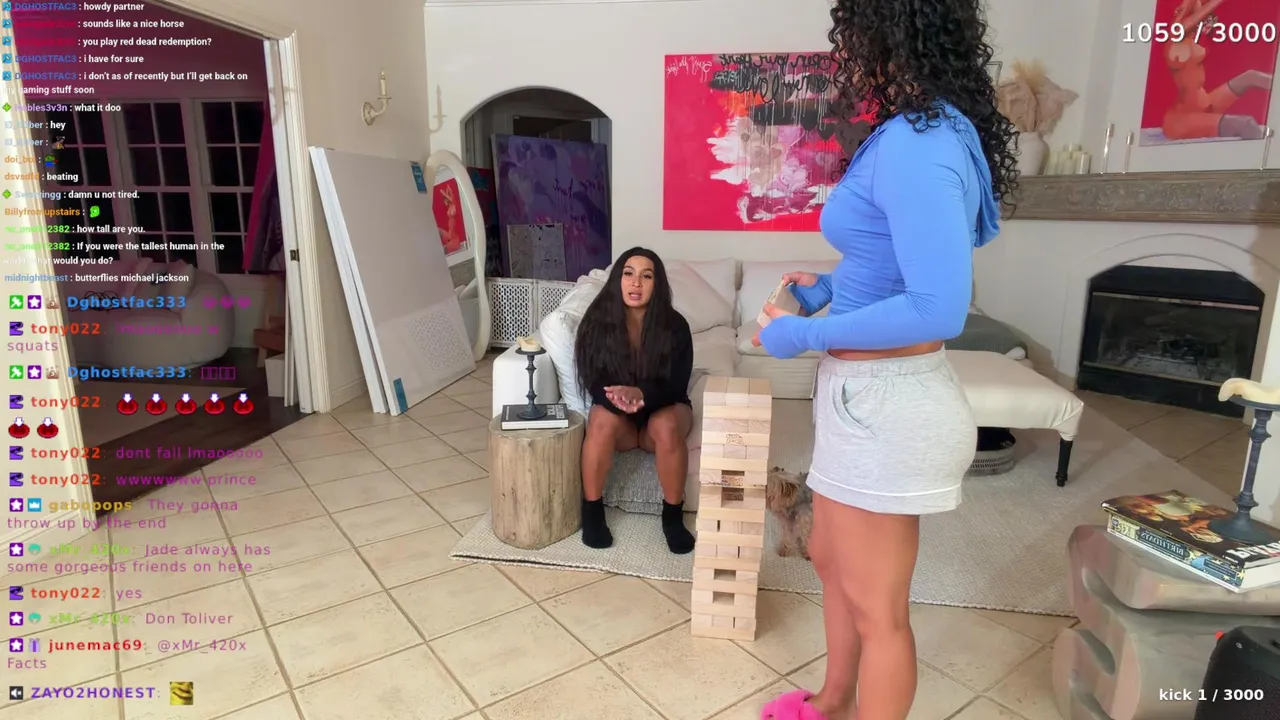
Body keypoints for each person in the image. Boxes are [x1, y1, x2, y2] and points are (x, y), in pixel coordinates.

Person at [754, 1, 1018, 719]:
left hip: (889, 406)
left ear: (887, 31)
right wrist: (832, 289)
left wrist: (803, 336)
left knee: (879, 610)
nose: (847, 49)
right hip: (862, 397)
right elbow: (893, 261)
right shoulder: (919, 130)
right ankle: (833, 699)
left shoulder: (922, 143)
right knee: (830, 560)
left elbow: (937, 308)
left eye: (854, 32)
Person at [574, 247, 697, 554]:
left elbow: (677, 384)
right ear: (618, 279)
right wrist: (618, 400)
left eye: (647, 276)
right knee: (600, 420)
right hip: (622, 420)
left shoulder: (676, 325)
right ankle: (592, 513)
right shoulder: (596, 321)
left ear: (658, 284)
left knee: (666, 425)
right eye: (628, 274)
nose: (636, 283)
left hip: (665, 407)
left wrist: (641, 394)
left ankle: (672, 518)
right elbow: (592, 379)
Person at [1160, 0, 1271, 141]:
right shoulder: (1175, 41)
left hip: (1206, 105)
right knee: (1246, 124)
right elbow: (1190, 18)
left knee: (1252, 76)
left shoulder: (1193, 39)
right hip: (1182, 120)